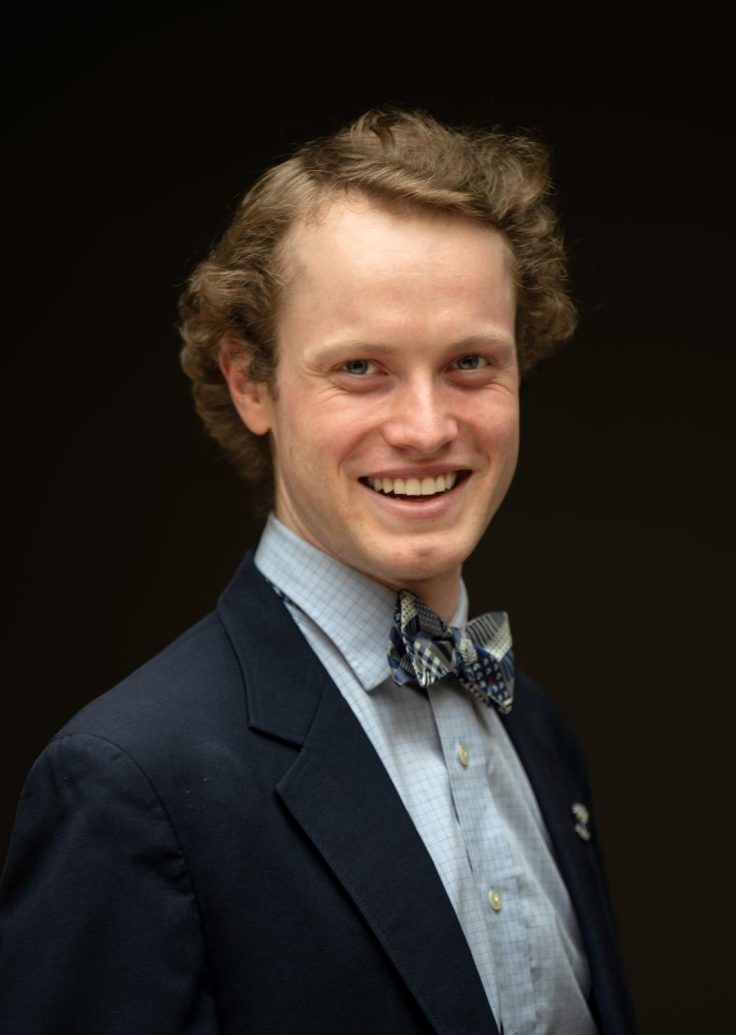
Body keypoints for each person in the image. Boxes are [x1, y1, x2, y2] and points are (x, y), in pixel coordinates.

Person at [0, 109, 637, 1034]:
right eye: (362, 367)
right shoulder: (126, 781)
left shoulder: (543, 735)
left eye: (470, 362)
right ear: (251, 382)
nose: (425, 426)